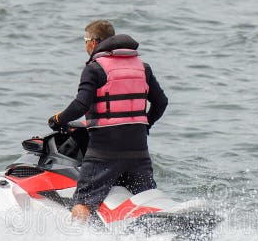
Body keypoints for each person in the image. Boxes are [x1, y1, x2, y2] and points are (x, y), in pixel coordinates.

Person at [48, 20, 168, 221]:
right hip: (138, 150)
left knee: (83, 201)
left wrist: (57, 119)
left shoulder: (95, 69)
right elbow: (161, 102)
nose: (85, 46)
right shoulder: (143, 68)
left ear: (94, 43)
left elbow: (80, 105)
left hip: (104, 152)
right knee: (144, 200)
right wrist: (146, 125)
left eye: (85, 40)